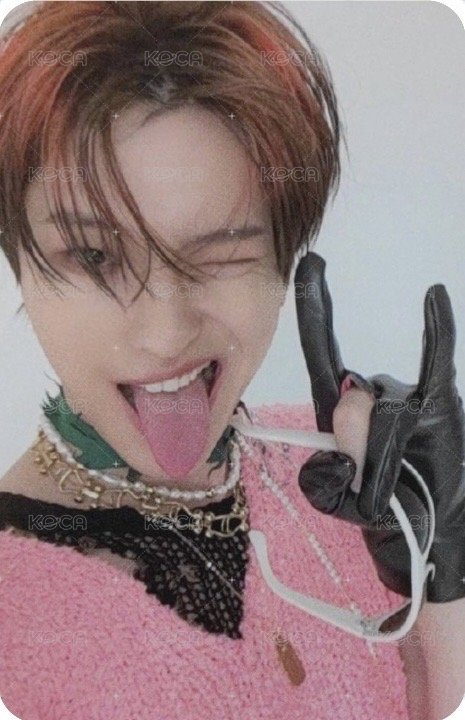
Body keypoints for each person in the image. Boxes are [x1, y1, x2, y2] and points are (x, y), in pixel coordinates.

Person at [0, 3, 463, 719]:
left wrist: (441, 565)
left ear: (285, 265)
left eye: (218, 254)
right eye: (92, 257)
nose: (164, 335)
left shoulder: (341, 469)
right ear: (19, 262)